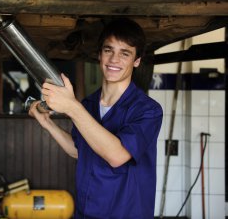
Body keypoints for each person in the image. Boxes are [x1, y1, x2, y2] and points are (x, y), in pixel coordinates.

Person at [28, 18, 163, 219]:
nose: (114, 59)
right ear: (99, 54)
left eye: (124, 53)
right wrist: (48, 124)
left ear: (137, 61)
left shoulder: (148, 110)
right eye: (108, 50)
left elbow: (117, 156)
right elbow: (79, 151)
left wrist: (72, 107)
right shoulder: (88, 105)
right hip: (87, 212)